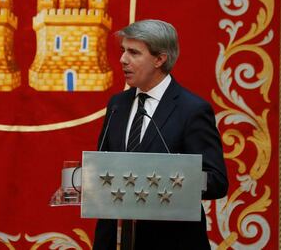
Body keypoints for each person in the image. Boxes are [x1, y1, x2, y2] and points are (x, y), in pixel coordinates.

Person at [92, 19, 229, 250]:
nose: (123, 59)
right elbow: (102, 168)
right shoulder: (117, 104)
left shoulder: (192, 110)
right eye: (123, 51)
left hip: (172, 243)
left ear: (160, 59)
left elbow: (216, 181)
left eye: (133, 52)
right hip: (117, 241)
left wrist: (169, 178)